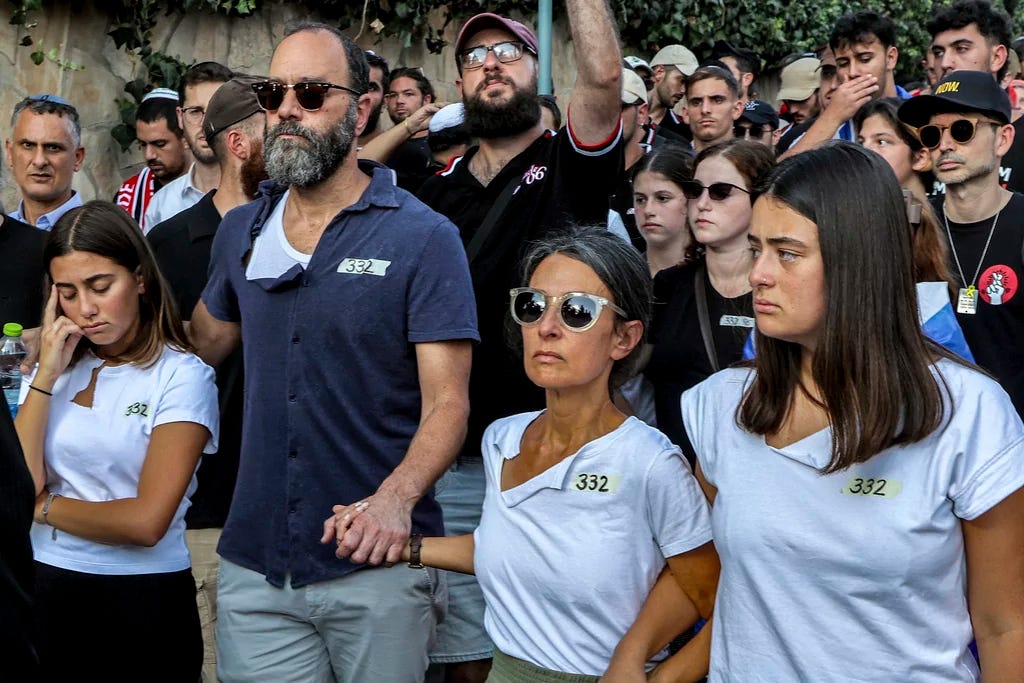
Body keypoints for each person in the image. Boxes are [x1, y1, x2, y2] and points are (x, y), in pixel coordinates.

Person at [188, 21, 477, 682]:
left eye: (311, 93)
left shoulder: (424, 237)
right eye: (274, 92)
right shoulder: (239, 232)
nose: (287, 108)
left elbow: (449, 405)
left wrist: (395, 499)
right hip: (256, 568)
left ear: (364, 107)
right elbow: (203, 342)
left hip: (374, 563)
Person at [673, 141, 1024, 680]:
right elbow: (711, 573)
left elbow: (1005, 625)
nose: (758, 275)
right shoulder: (722, 405)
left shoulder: (969, 413)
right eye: (755, 248)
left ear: (857, 259)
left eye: (786, 252)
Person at [330, 226, 718, 681]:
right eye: (532, 306)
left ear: (625, 338)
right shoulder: (501, 439)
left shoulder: (649, 462)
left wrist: (648, 676)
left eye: (577, 311)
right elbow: (509, 549)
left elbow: (716, 601)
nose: (546, 328)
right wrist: (393, 545)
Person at [415, 6, 624, 680]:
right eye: (474, 58)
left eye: (507, 51)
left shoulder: (569, 165)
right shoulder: (433, 191)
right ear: (459, 84)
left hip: (533, 457)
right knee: (434, 653)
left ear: (538, 72)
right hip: (435, 454)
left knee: (497, 655)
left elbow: (604, 77)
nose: (490, 64)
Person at [14, 200, 219, 679]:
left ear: (141, 278)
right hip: (44, 587)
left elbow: (146, 522)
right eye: (66, 293)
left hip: (141, 599)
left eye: (100, 286)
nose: (85, 309)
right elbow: (19, 485)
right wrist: (45, 374)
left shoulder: (181, 376)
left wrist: (43, 508)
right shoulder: (52, 370)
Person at [147, 75, 266, 683]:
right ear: (241, 143)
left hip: (299, 511)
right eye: (278, 121)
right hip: (205, 512)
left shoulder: (313, 234)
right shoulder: (166, 245)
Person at [899, 71, 1024, 418]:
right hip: (927, 434)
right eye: (932, 134)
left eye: (962, 129)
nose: (945, 145)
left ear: (1003, 139)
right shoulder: (910, 225)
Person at [643, 140, 774, 452]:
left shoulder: (778, 288)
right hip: (676, 477)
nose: (702, 203)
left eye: (720, 192)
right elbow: (627, 376)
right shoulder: (669, 284)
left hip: (751, 473)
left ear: (758, 198)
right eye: (695, 190)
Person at [780, 11, 909, 160]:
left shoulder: (922, 113)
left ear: (891, 58)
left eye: (865, 59)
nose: (852, 72)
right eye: (843, 63)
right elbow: (779, 177)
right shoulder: (831, 128)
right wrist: (832, 117)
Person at [143, 62, 233, 229]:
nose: (206, 123)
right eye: (195, 112)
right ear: (180, 117)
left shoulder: (259, 196)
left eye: (217, 110)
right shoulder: (161, 206)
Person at [114, 88, 191, 232]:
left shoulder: (209, 187)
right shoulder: (129, 195)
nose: (149, 155)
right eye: (143, 144)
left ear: (186, 138)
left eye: (160, 144)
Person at [6, 95, 84, 230]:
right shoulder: (3, 232)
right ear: (10, 153)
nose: (39, 161)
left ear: (77, 158)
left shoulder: (102, 238)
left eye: (53, 148)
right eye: (28, 145)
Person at [632, 143, 694, 275]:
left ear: (691, 200)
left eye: (662, 198)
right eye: (640, 200)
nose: (648, 210)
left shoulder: (713, 277)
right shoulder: (623, 277)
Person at [384, 67, 437, 192]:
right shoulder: (381, 145)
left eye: (408, 94)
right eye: (393, 95)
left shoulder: (441, 142)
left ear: (426, 100)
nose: (399, 101)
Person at [682, 65, 744, 153]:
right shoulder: (672, 165)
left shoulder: (755, 164)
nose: (705, 110)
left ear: (736, 109)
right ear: (686, 114)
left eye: (717, 100)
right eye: (696, 102)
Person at [359, 50, 390, 146]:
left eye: (370, 88)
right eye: (355, 85)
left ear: (385, 101)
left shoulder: (402, 154)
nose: (362, 95)